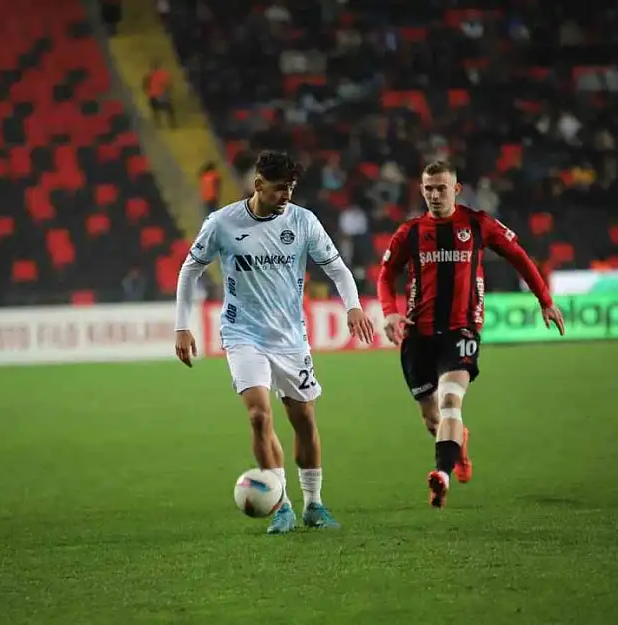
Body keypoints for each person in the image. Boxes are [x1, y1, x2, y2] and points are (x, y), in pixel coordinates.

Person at [174, 150, 375, 534]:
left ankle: (313, 504)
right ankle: (280, 503)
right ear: (258, 184)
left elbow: (336, 267)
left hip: (290, 338)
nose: (286, 196)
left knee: (303, 419)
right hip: (242, 333)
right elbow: (190, 270)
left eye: (291, 189)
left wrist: (353, 307)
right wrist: (182, 326)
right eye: (280, 188)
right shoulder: (222, 222)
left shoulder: (303, 222)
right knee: (258, 415)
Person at [376, 161, 565, 510]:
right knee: (432, 418)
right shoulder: (410, 232)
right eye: (429, 188)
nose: (434, 194)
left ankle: (441, 475)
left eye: (441, 188)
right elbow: (386, 275)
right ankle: (457, 445)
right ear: (421, 190)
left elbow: (519, 257)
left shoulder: (477, 224)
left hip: (461, 330)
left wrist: (546, 300)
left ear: (456, 189)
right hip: (418, 335)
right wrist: (389, 312)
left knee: (450, 402)